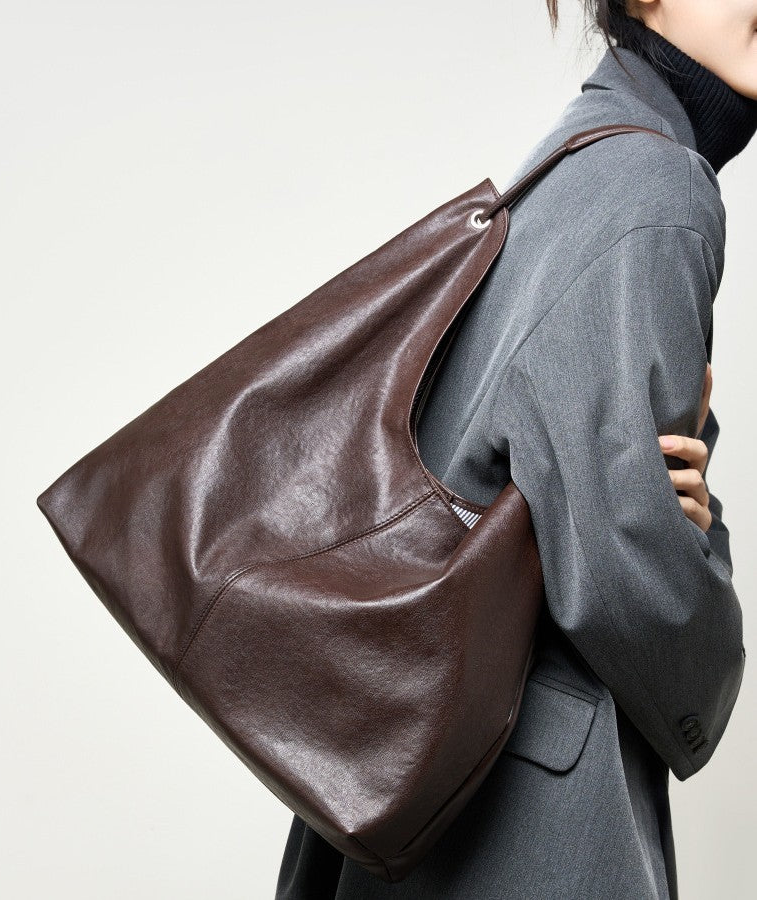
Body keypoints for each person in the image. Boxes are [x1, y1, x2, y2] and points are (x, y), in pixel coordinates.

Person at [274, 2, 754, 898]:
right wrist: (711, 599)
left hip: (433, 788)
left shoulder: (581, 153)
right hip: (529, 826)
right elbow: (625, 573)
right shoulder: (658, 181)